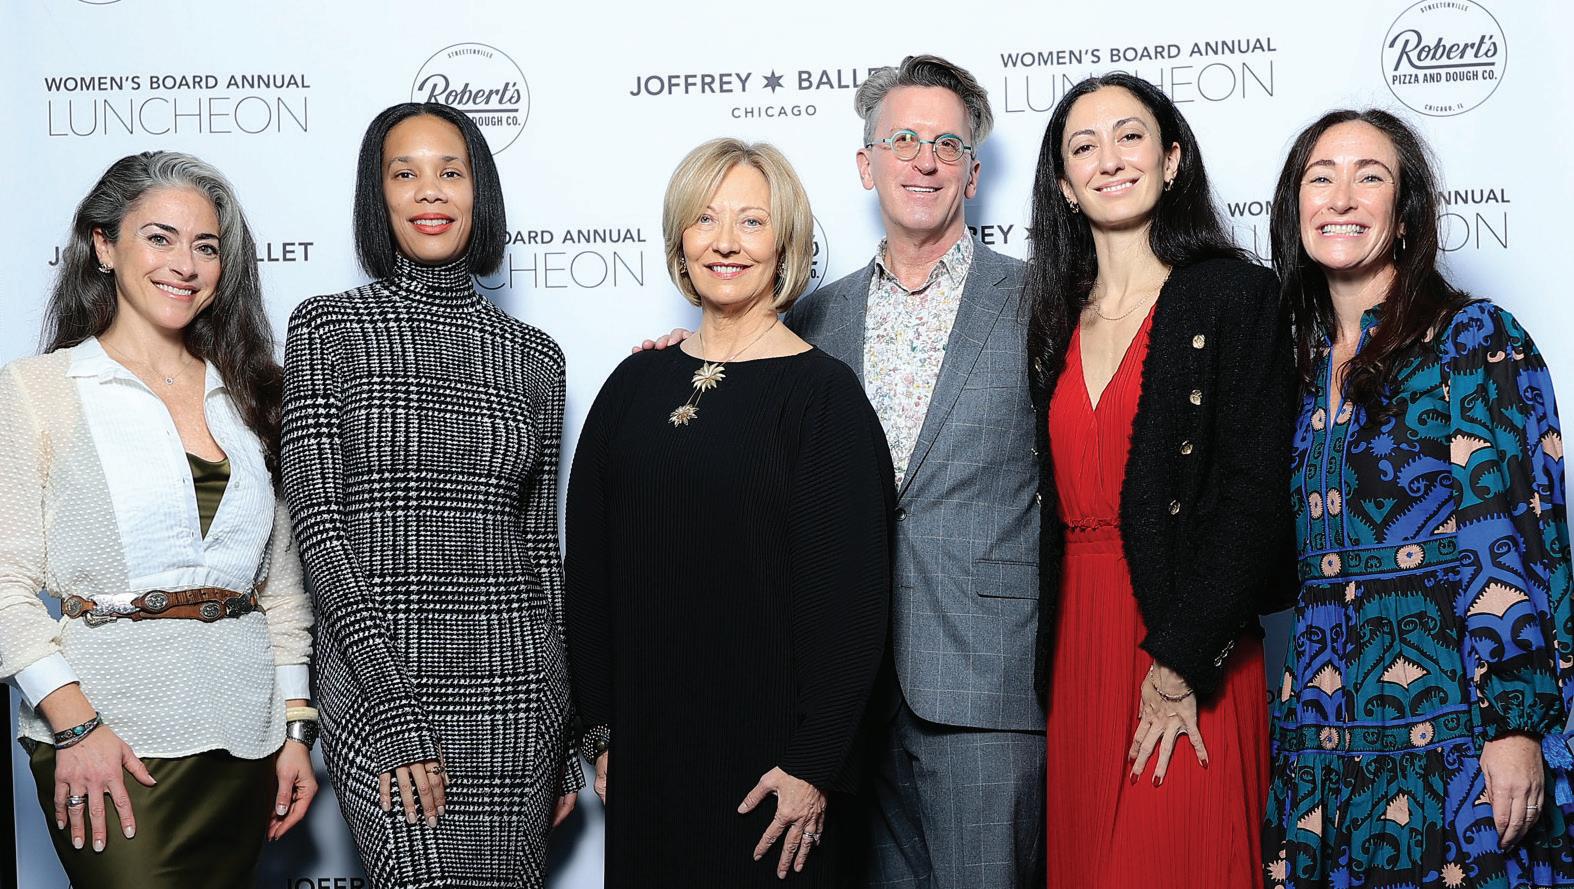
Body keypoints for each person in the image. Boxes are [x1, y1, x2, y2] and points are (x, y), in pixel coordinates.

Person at [639, 54, 1045, 888]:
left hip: (984, 685)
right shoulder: (813, 318)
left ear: (973, 174)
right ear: (867, 165)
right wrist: (681, 358)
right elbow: (736, 391)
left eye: (947, 144)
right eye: (903, 141)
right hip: (839, 705)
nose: (923, 161)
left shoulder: (1042, 301)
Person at [564, 137, 894, 887]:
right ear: (681, 237)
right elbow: (589, 574)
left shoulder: (824, 398)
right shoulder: (632, 385)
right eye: (706, 218)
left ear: (785, 242)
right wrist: (603, 732)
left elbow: (853, 606)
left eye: (751, 221)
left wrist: (814, 764)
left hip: (774, 776)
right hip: (649, 758)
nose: (725, 242)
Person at [1264, 109, 1574, 889]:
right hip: (1324, 736)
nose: (1341, 197)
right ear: (1295, 209)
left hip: (1456, 739)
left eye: (1369, 177)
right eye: (1320, 177)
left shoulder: (1471, 339)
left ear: (1404, 217)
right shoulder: (1296, 365)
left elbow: (1513, 536)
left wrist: (1514, 725)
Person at [280, 102, 581, 888]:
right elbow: (318, 526)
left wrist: (568, 737)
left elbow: (540, 547)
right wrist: (391, 704)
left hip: (516, 684)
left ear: (479, 191)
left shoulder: (535, 356)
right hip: (379, 671)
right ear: (377, 195)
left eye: (451, 171)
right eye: (404, 173)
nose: (429, 191)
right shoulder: (328, 329)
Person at [0, 150, 317, 887]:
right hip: (107, 734)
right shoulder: (38, 389)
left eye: (205, 246)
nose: (185, 264)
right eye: (159, 238)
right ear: (104, 246)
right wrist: (75, 725)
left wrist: (296, 727)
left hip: (247, 737)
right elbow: (3, 581)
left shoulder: (252, 393)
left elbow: (282, 592)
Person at [1024, 73, 1295, 888]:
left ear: (1172, 160)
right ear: (1064, 185)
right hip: (1078, 649)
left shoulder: (1234, 295)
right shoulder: (1050, 316)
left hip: (1186, 641)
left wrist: (1180, 660)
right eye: (1084, 146)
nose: (1110, 159)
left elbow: (1256, 495)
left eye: (1130, 136)